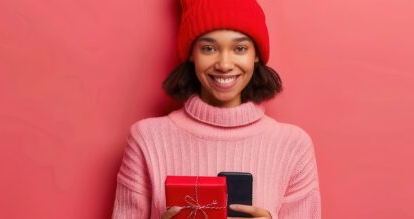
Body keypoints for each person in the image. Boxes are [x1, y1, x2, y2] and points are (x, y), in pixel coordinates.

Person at [112, 0, 321, 218]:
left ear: (256, 55)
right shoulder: (146, 139)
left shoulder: (293, 145)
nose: (224, 64)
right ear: (192, 53)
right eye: (209, 48)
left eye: (240, 48)